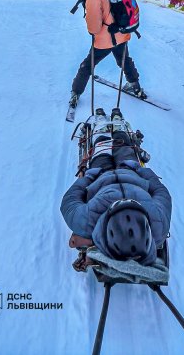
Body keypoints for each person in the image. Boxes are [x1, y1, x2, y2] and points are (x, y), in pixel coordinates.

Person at [60, 108, 172, 266]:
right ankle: (117, 124)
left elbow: (70, 198)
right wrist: (140, 169)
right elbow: (161, 191)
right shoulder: (159, 224)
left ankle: (101, 125)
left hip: (101, 176)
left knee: (101, 146)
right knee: (124, 144)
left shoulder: (84, 222)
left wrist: (89, 177)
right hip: (130, 171)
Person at [69, 0, 145, 108]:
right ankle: (135, 85)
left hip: (105, 39)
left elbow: (94, 29)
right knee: (124, 60)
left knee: (87, 66)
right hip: (121, 32)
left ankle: (75, 92)